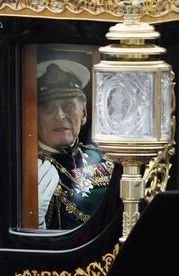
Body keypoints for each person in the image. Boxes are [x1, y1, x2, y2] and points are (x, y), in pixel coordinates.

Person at [37, 59, 114, 230]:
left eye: (68, 106)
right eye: (48, 108)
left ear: (84, 113)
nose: (59, 116)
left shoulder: (106, 159)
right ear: (34, 118)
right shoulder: (27, 170)